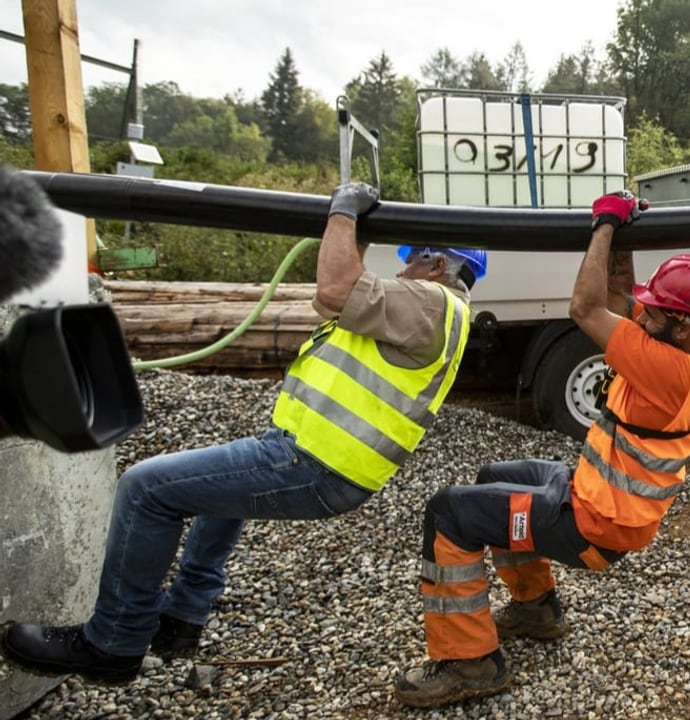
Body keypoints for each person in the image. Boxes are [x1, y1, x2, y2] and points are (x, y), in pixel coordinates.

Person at [0, 182, 488, 683]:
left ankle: (111, 642)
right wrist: (352, 232)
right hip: (314, 459)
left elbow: (335, 290)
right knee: (218, 492)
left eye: (412, 258)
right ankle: (183, 618)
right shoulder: (430, 311)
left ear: (435, 263)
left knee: (144, 489)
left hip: (313, 463)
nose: (402, 267)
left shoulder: (430, 303)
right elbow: (339, 296)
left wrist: (344, 211)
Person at [394, 190, 690, 708]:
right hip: (594, 492)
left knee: (449, 513)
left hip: (595, 522)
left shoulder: (668, 370)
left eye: (656, 311)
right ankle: (537, 609)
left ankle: (470, 662)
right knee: (491, 475)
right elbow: (621, 301)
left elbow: (586, 307)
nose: (642, 316)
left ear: (683, 324)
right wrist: (624, 233)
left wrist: (601, 226)